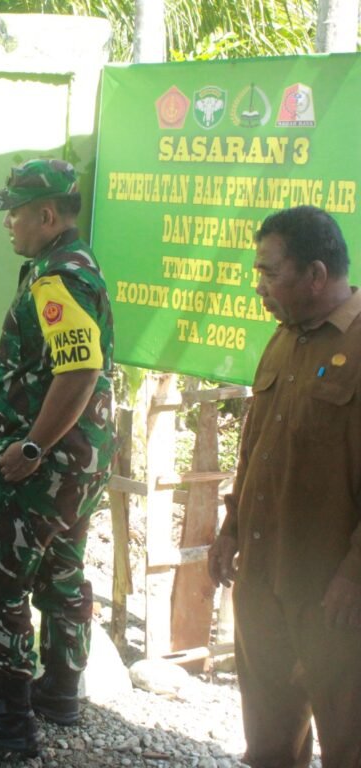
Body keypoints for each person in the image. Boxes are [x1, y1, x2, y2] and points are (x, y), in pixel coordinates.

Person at [0, 159, 116, 755]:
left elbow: (81, 366)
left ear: (46, 215)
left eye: (15, 212)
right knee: (62, 568)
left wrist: (30, 447)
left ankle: (9, 717)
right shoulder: (79, 265)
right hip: (81, 463)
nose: (8, 224)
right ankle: (61, 690)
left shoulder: (55, 281)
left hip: (43, 466)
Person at [208, 205, 361, 768]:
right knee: (269, 743)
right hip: (264, 581)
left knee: (348, 743)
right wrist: (231, 528)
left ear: (316, 275)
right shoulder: (283, 341)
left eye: (270, 273)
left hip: (334, 597)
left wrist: (354, 575)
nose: (259, 287)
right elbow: (257, 450)